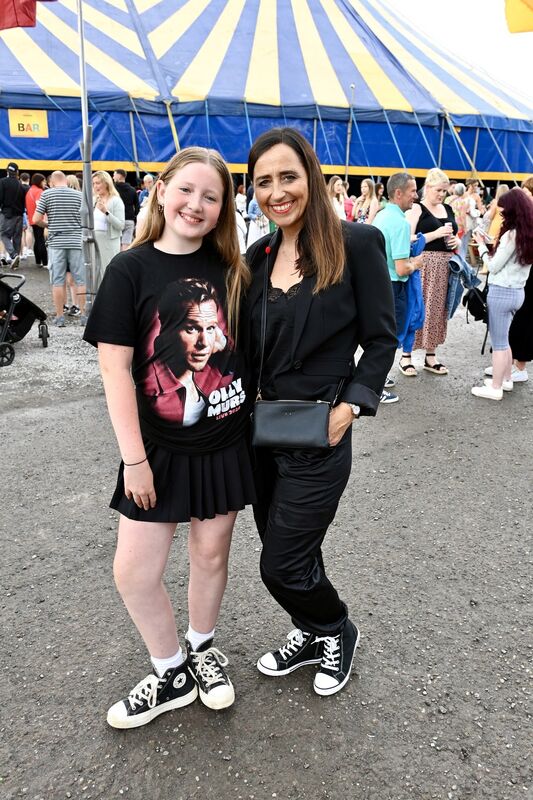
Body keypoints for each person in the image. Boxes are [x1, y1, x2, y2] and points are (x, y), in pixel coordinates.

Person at [83, 147, 254, 729]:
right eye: (186, 190)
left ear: (223, 208)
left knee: (211, 555)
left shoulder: (233, 269)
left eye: (211, 196)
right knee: (133, 571)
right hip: (153, 452)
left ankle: (203, 650)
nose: (196, 204)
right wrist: (134, 460)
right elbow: (114, 371)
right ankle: (171, 668)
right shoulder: (129, 269)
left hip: (225, 446)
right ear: (161, 190)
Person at [243, 127, 397, 697]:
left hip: (321, 432)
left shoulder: (357, 243)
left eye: (287, 177)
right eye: (263, 182)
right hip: (260, 434)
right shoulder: (255, 257)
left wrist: (351, 407)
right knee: (291, 549)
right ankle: (310, 631)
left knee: (279, 563)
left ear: (309, 175)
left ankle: (335, 628)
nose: (277, 192)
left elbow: (382, 340)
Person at [471, 188, 533, 400]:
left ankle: (496, 387)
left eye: (504, 210)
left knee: (499, 342)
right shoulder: (527, 234)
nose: (502, 213)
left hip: (501, 293)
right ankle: (505, 379)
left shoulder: (510, 235)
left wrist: (481, 246)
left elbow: (494, 266)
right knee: (505, 340)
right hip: (518, 292)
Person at [405, 168, 460, 375]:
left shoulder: (448, 208)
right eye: (438, 190)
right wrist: (435, 233)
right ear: (427, 187)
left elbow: (455, 234)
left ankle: (431, 355)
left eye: (444, 191)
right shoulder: (417, 208)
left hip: (444, 265)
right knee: (416, 307)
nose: (442, 195)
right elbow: (409, 238)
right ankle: (406, 356)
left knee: (437, 311)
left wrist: (457, 240)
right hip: (422, 263)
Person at [373, 172, 424, 381]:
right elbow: (402, 269)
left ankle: (377, 379)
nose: (416, 195)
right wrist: (416, 263)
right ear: (398, 193)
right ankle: (378, 382)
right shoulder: (401, 224)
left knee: (379, 336)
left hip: (378, 284)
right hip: (394, 288)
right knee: (390, 338)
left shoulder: (382, 215)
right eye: (412, 191)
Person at [33, 170, 86, 326]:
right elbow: (87, 218)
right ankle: (84, 316)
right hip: (77, 241)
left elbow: (36, 219)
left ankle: (60, 317)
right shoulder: (79, 195)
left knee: (58, 280)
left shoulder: (47, 195)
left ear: (51, 182)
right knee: (80, 280)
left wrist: (50, 225)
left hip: (57, 243)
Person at [92, 170, 125, 286]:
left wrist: (106, 212)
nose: (95, 186)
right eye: (94, 183)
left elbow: (121, 225)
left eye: (98, 183)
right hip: (94, 241)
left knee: (108, 272)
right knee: (95, 272)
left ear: (106, 183)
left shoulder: (116, 201)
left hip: (109, 241)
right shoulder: (94, 199)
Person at [0, 162, 25, 270]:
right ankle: (16, 262)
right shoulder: (21, 185)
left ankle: (14, 255)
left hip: (7, 214)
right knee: (17, 237)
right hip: (19, 214)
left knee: (4, 235)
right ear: (17, 172)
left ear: (7, 171)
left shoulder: (2, 182)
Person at [25, 173, 48, 268]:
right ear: (39, 181)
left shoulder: (30, 190)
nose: (45, 183)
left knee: (37, 240)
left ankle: (38, 261)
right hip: (39, 219)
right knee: (41, 240)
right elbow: (40, 206)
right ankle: (45, 262)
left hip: (31, 218)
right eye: (43, 181)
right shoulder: (39, 191)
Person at [113, 168, 139, 250]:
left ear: (119, 176)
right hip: (129, 220)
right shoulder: (132, 190)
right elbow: (137, 206)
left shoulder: (113, 190)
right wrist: (134, 217)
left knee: (116, 242)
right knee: (126, 243)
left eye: (114, 175)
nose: (113, 177)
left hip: (116, 219)